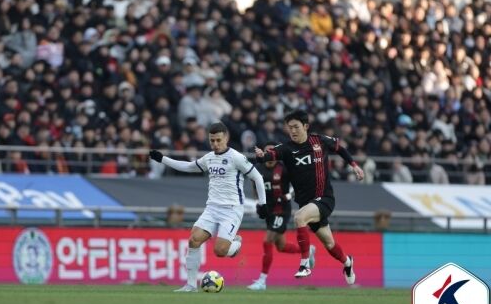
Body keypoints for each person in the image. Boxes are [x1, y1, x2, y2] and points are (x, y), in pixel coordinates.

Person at [149, 122, 268, 292]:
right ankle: (190, 285)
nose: (215, 144)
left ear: (226, 138)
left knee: (220, 251)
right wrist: (163, 159)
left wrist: (262, 204)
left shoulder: (236, 157)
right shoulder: (209, 157)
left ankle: (236, 244)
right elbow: (188, 167)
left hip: (231, 210)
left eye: (219, 140)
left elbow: (257, 177)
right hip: (212, 208)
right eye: (212, 141)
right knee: (193, 240)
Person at [254, 110, 364, 284]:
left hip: (324, 198)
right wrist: (262, 156)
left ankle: (305, 264)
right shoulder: (287, 148)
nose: (293, 131)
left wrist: (354, 165)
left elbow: (340, 149)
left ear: (305, 126)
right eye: (290, 128)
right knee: (329, 244)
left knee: (299, 218)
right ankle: (348, 262)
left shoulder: (319, 140)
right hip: (306, 203)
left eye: (296, 127)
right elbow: (270, 155)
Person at [247, 142, 316, 291]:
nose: (270, 155)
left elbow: (297, 183)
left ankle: (262, 281)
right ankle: (307, 250)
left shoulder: (284, 168)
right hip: (269, 210)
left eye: (273, 152)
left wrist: (287, 195)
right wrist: (259, 203)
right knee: (281, 246)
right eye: (267, 152)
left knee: (267, 240)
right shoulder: (258, 168)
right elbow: (255, 186)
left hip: (281, 210)